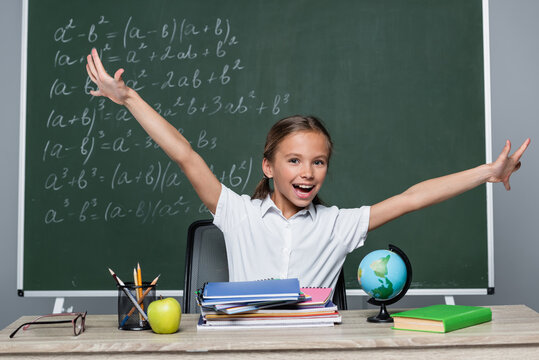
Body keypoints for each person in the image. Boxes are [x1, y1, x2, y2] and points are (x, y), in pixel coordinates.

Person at [86, 48, 530, 290]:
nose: (307, 172)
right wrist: (128, 98)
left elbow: (413, 197)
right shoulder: (236, 213)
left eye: (318, 162)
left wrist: (487, 173)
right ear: (269, 166)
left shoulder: (338, 226)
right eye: (294, 160)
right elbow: (184, 154)